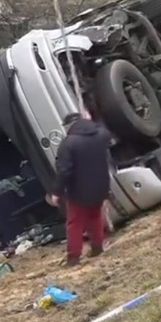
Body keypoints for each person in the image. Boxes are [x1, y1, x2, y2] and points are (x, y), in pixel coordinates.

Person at [48, 109, 113, 267]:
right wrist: (90, 119)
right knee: (95, 216)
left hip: (79, 191)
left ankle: (74, 257)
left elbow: (64, 170)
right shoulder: (101, 134)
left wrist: (56, 192)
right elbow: (106, 134)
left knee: (75, 224)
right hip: (101, 186)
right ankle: (97, 247)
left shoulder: (68, 143)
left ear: (69, 125)